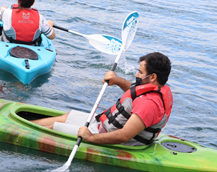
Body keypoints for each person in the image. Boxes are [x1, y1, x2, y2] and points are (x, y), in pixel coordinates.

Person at [31, 52, 173, 146]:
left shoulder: (150, 105)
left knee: (53, 129)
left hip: (109, 136)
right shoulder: (153, 90)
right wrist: (117, 80)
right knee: (66, 117)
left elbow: (124, 135)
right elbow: (136, 93)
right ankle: (29, 124)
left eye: (140, 72)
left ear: (153, 77)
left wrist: (90, 137)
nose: (136, 74)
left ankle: (24, 133)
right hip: (103, 124)